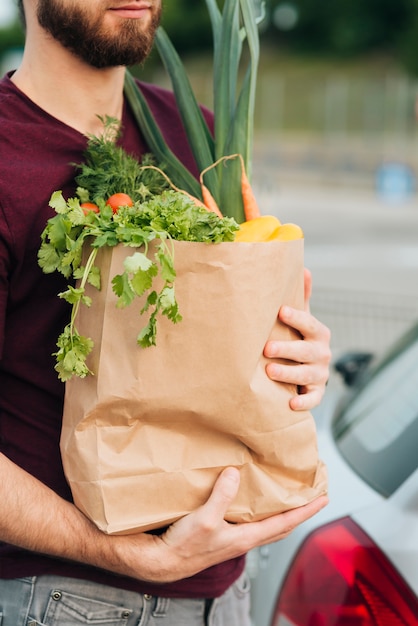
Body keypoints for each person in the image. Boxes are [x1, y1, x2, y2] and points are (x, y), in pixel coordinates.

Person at [0, 0, 330, 624]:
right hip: (67, 598)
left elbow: (233, 329)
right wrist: (129, 556)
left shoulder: (194, 131)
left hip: (225, 594)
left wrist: (297, 357)